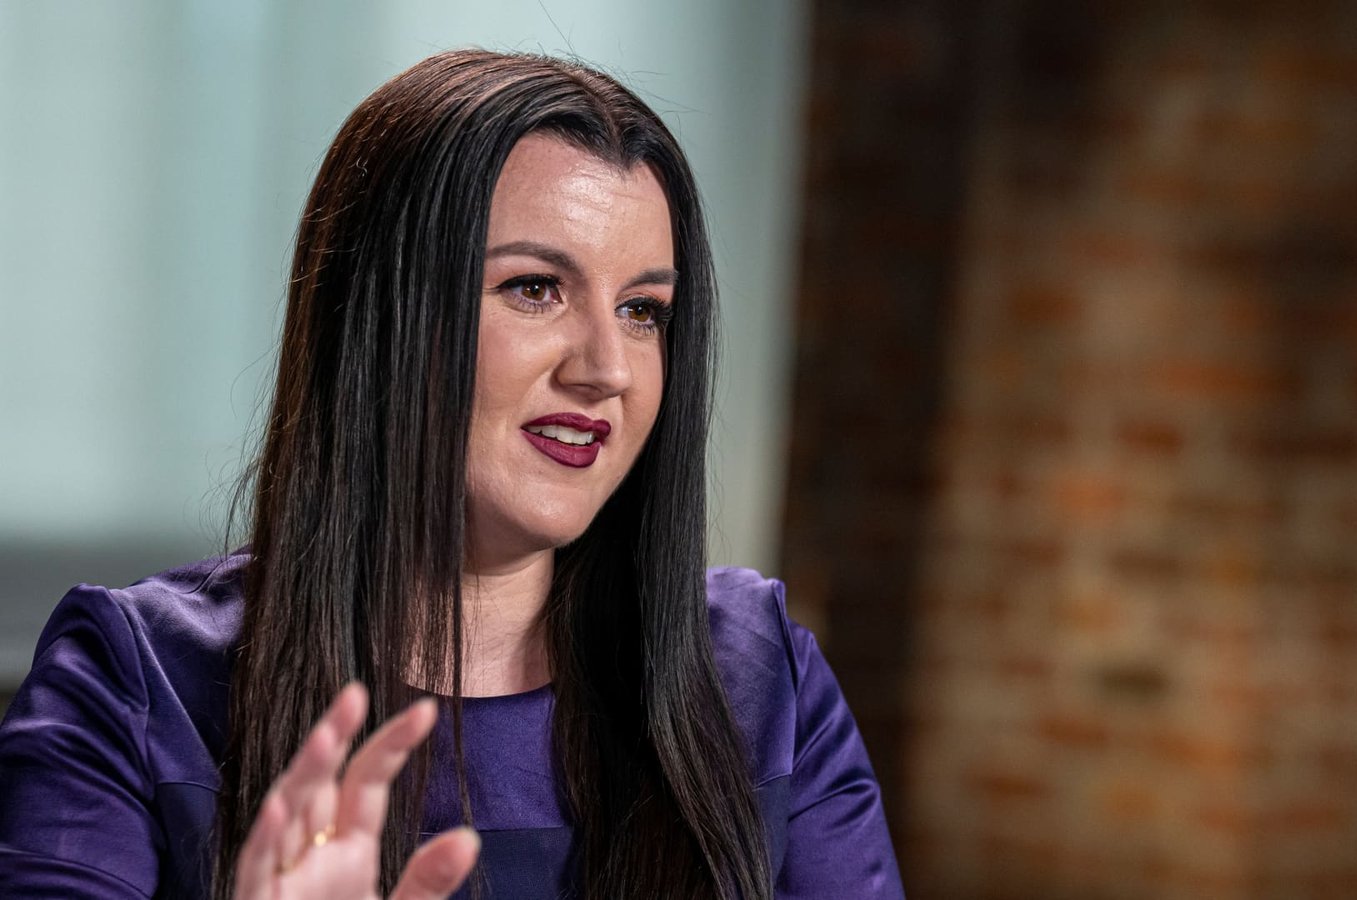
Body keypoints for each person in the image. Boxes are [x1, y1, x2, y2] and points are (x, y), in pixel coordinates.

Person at [0, 50, 904, 899]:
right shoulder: (139, 682)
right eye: (535, 288)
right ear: (379, 316)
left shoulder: (762, 682)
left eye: (643, 310)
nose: (608, 369)